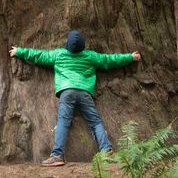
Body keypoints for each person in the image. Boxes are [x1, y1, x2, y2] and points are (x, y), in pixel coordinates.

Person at [9, 30, 141, 167]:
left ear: (67, 44)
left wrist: (19, 51)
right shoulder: (90, 56)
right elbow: (110, 60)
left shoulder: (58, 54)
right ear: (83, 46)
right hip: (85, 92)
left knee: (63, 122)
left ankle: (57, 155)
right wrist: (130, 57)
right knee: (95, 122)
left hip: (67, 92)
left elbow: (39, 55)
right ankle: (106, 150)